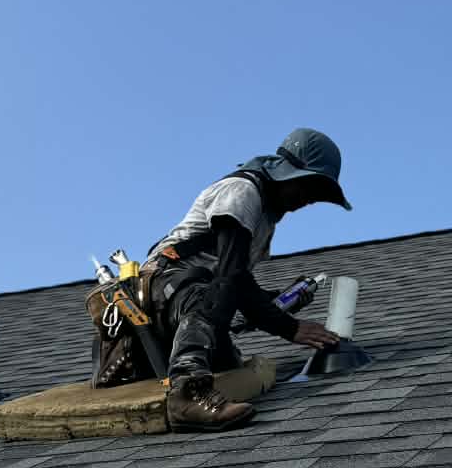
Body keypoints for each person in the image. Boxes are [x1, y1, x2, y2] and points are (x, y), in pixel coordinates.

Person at [145, 128, 351, 432]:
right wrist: (288, 327)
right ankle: (186, 395)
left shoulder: (265, 216)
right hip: (166, 286)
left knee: (227, 363)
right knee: (208, 296)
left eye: (317, 194)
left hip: (196, 296)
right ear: (286, 174)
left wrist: (274, 301)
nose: (309, 200)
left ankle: (191, 373)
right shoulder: (242, 192)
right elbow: (230, 275)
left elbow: (235, 283)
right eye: (307, 187)